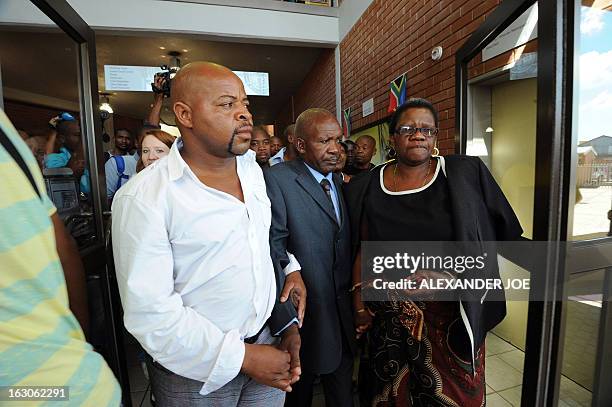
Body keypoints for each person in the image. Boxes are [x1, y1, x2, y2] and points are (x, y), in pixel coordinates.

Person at [112, 61, 306, 406]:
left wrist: (290, 271)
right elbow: (151, 314)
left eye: (245, 104)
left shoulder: (252, 171)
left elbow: (257, 241)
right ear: (184, 115)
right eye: (227, 104)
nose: (244, 114)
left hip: (267, 344)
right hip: (192, 372)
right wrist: (244, 358)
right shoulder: (145, 198)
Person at [345, 98, 523, 406]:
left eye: (427, 129)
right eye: (408, 128)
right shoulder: (367, 185)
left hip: (452, 315)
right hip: (389, 319)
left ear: (436, 137)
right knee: (388, 396)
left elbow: (499, 231)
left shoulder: (464, 174)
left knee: (454, 398)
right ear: (392, 138)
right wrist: (359, 305)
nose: (418, 135)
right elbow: (362, 246)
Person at [0, 108, 121, 406]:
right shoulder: (50, 159)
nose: (82, 138)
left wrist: (79, 344)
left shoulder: (10, 145)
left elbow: (63, 245)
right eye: (77, 134)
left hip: (52, 389)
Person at [265, 108, 356, 407]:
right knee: (298, 397)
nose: (335, 149)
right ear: (301, 145)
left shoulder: (342, 182)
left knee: (342, 396)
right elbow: (271, 242)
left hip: (343, 316)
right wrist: (291, 270)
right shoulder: (276, 179)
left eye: (339, 140)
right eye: (325, 141)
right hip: (305, 316)